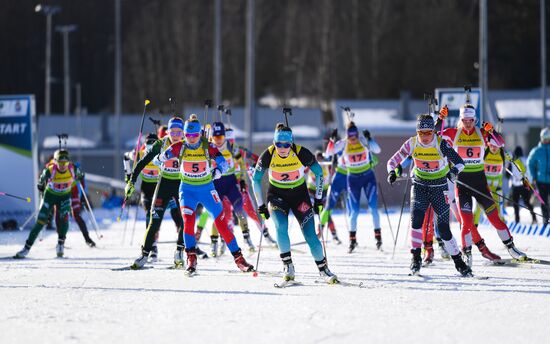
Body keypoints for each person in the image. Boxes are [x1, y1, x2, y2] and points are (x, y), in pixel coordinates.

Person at [155, 115, 254, 274]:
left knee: (221, 223)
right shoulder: (179, 147)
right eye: (188, 135)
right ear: (184, 134)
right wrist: (158, 159)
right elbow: (160, 158)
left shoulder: (208, 146)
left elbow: (224, 162)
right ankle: (191, 258)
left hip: (207, 189)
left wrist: (218, 171)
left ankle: (239, 259)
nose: (192, 139)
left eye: (195, 135)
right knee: (188, 221)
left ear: (199, 134)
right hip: (187, 190)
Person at [252, 123, 338, 284]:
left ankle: (323, 269)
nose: (282, 148)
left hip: (299, 196)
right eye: (278, 144)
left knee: (310, 235)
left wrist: (318, 199)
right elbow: (255, 179)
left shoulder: (301, 153)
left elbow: (319, 173)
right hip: (277, 197)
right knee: (281, 227)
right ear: (274, 142)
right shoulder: (268, 155)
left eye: (286, 144)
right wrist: (261, 205)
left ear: (291, 143)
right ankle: (288, 266)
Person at [438, 103, 526, 261]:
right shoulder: (454, 133)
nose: (468, 123)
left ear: (475, 119)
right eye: (465, 120)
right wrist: (440, 118)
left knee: (495, 218)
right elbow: (436, 136)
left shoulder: (481, 132)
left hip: (480, 182)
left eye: (471, 120)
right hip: (462, 184)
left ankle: (511, 248)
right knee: (466, 222)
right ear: (461, 119)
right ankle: (467, 253)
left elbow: (500, 144)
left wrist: (492, 130)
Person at [387, 114, 471, 276]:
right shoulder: (411, 143)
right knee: (417, 220)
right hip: (420, 186)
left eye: (428, 133)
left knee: (443, 229)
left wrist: (453, 172)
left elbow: (460, 162)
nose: (425, 137)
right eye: (421, 133)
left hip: (440, 188)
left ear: (433, 131)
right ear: (417, 132)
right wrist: (392, 172)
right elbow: (392, 161)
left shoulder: (441, 143)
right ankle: (416, 258)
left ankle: (459, 262)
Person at [125, 117, 186, 269]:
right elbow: (141, 162)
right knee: (154, 219)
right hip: (164, 184)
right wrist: (131, 181)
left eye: (179, 132)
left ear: (183, 132)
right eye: (172, 131)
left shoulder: (187, 145)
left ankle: (179, 252)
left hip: (181, 185)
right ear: (168, 132)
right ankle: (145, 253)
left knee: (185, 219)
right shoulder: (161, 144)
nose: (176, 135)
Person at [15, 149, 84, 258]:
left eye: (65, 163)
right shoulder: (50, 170)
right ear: (55, 162)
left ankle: (61, 243)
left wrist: (80, 178)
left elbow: (81, 175)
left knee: (64, 219)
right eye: (60, 163)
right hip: (50, 196)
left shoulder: (72, 169)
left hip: (64, 196)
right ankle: (26, 248)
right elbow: (41, 181)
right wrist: (41, 185)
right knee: (41, 221)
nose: (63, 166)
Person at [325, 122, 382, 253]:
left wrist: (369, 139)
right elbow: (328, 153)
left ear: (357, 133)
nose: (352, 138)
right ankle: (352, 240)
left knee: (373, 207)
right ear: (347, 135)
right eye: (350, 135)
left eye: (354, 135)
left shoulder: (363, 141)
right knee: (355, 211)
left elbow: (377, 150)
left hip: (368, 177)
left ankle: (378, 238)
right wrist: (332, 141)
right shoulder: (343, 143)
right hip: (353, 178)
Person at [527, 127, 550, 226]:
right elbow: (530, 163)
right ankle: (546, 220)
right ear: (541, 138)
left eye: (548, 137)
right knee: (543, 201)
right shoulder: (537, 150)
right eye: (544, 137)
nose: (546, 139)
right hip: (541, 180)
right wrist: (533, 176)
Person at [508, 146, 537, 224]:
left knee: (515, 203)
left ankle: (517, 219)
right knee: (527, 202)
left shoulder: (513, 161)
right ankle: (534, 217)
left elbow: (507, 174)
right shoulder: (526, 159)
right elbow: (529, 172)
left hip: (515, 184)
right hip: (525, 183)